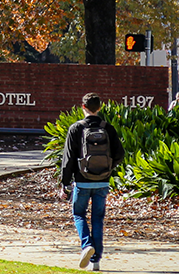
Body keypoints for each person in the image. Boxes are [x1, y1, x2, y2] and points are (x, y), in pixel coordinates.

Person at [59, 93, 124, 271]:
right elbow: (120, 154)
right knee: (97, 219)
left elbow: (69, 159)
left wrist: (65, 183)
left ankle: (86, 245)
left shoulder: (76, 129)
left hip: (82, 181)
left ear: (83, 106)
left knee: (79, 214)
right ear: (100, 108)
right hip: (103, 181)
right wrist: (109, 167)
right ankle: (95, 261)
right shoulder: (108, 128)